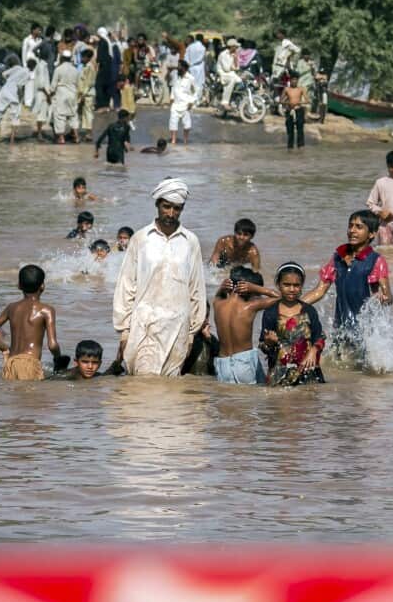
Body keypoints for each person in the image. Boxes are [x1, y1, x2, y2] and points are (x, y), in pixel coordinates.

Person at [111, 177, 206, 376]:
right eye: (166, 206)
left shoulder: (190, 242)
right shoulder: (140, 239)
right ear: (157, 204)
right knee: (143, 387)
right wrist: (124, 331)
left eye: (177, 208)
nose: (171, 213)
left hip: (178, 327)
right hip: (144, 325)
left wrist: (190, 335)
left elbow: (196, 288)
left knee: (170, 393)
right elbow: (126, 285)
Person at [302, 210, 392, 355]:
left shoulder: (376, 261)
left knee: (361, 366)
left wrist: (384, 297)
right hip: (340, 326)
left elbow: (388, 297)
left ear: (372, 234)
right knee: (338, 363)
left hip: (363, 330)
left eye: (359, 227)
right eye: (350, 226)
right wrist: (296, 305)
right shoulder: (338, 257)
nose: (352, 231)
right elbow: (319, 291)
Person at [0, 264, 66, 381]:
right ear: (42, 286)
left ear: (19, 286)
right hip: (30, 363)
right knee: (32, 398)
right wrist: (58, 358)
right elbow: (52, 345)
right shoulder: (46, 310)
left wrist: (5, 349)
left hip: (11, 363)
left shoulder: (12, 308)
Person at [259, 262, 325, 386]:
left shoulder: (309, 311)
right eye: (286, 285)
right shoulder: (271, 312)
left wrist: (313, 350)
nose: (291, 289)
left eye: (296, 285)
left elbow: (320, 337)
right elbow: (263, 345)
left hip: (307, 372)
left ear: (301, 286)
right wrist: (268, 342)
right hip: (280, 374)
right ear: (278, 285)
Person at [211, 266, 279, 385]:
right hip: (244, 362)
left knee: (228, 401)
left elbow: (218, 295)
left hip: (222, 364)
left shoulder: (217, 304)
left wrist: (222, 288)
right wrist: (257, 288)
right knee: (250, 400)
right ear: (247, 290)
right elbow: (280, 297)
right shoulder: (250, 306)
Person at [0, 55, 31, 145]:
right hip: (14, 95)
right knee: (15, 116)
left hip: (4, 92)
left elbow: (3, 74)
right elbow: (20, 86)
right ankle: (12, 141)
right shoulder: (26, 73)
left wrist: (9, 80)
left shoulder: (15, 68)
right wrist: (20, 95)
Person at [51, 49, 80, 144]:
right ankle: (76, 136)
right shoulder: (75, 70)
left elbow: (53, 85)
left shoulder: (58, 69)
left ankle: (61, 138)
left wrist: (50, 94)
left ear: (62, 58)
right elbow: (78, 84)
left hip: (61, 94)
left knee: (60, 116)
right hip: (72, 94)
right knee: (73, 115)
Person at [169, 60, 197, 145]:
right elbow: (173, 88)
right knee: (173, 123)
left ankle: (185, 141)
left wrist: (191, 102)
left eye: (179, 66)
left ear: (184, 68)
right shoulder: (176, 76)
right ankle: (173, 141)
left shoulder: (190, 78)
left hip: (185, 105)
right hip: (175, 104)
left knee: (187, 125)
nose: (178, 68)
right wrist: (171, 97)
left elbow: (195, 91)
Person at [76, 49, 98, 140]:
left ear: (87, 58)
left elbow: (89, 83)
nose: (81, 59)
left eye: (83, 57)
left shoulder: (90, 67)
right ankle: (80, 131)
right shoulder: (84, 67)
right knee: (80, 113)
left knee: (88, 113)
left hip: (87, 94)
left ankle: (89, 133)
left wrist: (83, 94)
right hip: (82, 93)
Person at [21, 23, 43, 108]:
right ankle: (27, 102)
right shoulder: (27, 40)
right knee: (29, 82)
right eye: (38, 30)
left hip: (37, 63)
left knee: (35, 82)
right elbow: (24, 52)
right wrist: (24, 65)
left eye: (40, 30)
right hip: (28, 64)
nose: (39, 31)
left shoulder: (40, 40)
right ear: (33, 30)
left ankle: (34, 101)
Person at [282, 75, 307, 150]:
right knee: (290, 129)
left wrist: (300, 102)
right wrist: (287, 103)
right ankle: (290, 147)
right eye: (293, 80)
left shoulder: (301, 89)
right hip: (290, 110)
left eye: (296, 80)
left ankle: (301, 146)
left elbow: (307, 100)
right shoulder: (287, 89)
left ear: (297, 81)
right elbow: (281, 100)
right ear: (290, 81)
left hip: (299, 109)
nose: (294, 81)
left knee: (300, 129)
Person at [216, 38, 241, 111]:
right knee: (232, 80)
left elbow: (237, 67)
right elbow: (226, 68)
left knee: (241, 81)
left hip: (231, 73)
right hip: (223, 74)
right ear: (232, 47)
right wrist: (234, 68)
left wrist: (236, 59)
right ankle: (225, 101)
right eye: (235, 47)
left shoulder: (234, 55)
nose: (237, 48)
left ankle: (234, 100)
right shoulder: (223, 54)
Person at [94, 27, 115, 111]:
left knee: (99, 85)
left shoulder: (102, 42)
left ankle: (101, 105)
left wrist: (97, 64)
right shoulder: (108, 41)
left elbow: (99, 57)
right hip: (109, 67)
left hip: (104, 67)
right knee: (107, 85)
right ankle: (106, 104)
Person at [184, 33, 207, 104]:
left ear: (196, 39)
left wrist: (189, 65)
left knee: (191, 84)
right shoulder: (203, 48)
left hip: (190, 67)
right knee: (199, 85)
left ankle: (190, 100)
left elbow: (186, 58)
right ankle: (196, 101)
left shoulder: (190, 47)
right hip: (199, 68)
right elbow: (201, 59)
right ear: (202, 39)